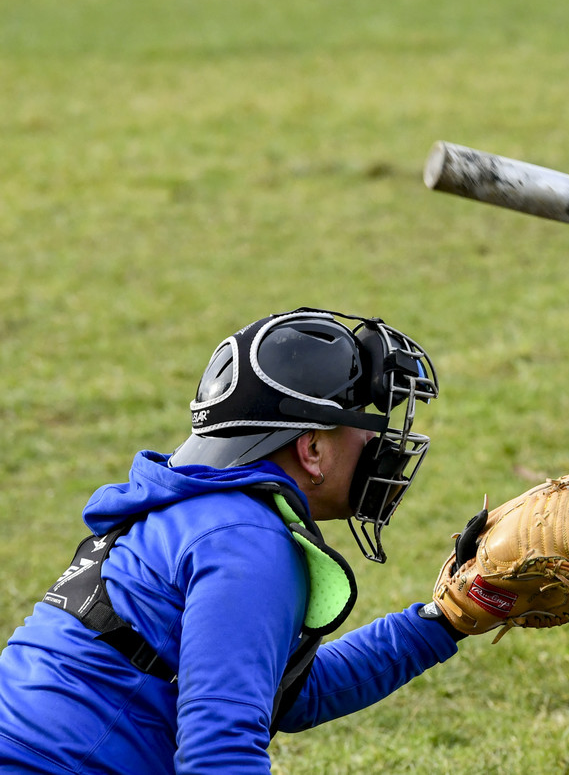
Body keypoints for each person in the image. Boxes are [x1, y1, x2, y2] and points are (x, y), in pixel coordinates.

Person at [0, 309, 470, 774]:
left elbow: (286, 692)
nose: (375, 439)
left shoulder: (192, 510)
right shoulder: (247, 542)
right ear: (311, 448)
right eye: (364, 422)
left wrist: (445, 619)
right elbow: (219, 755)